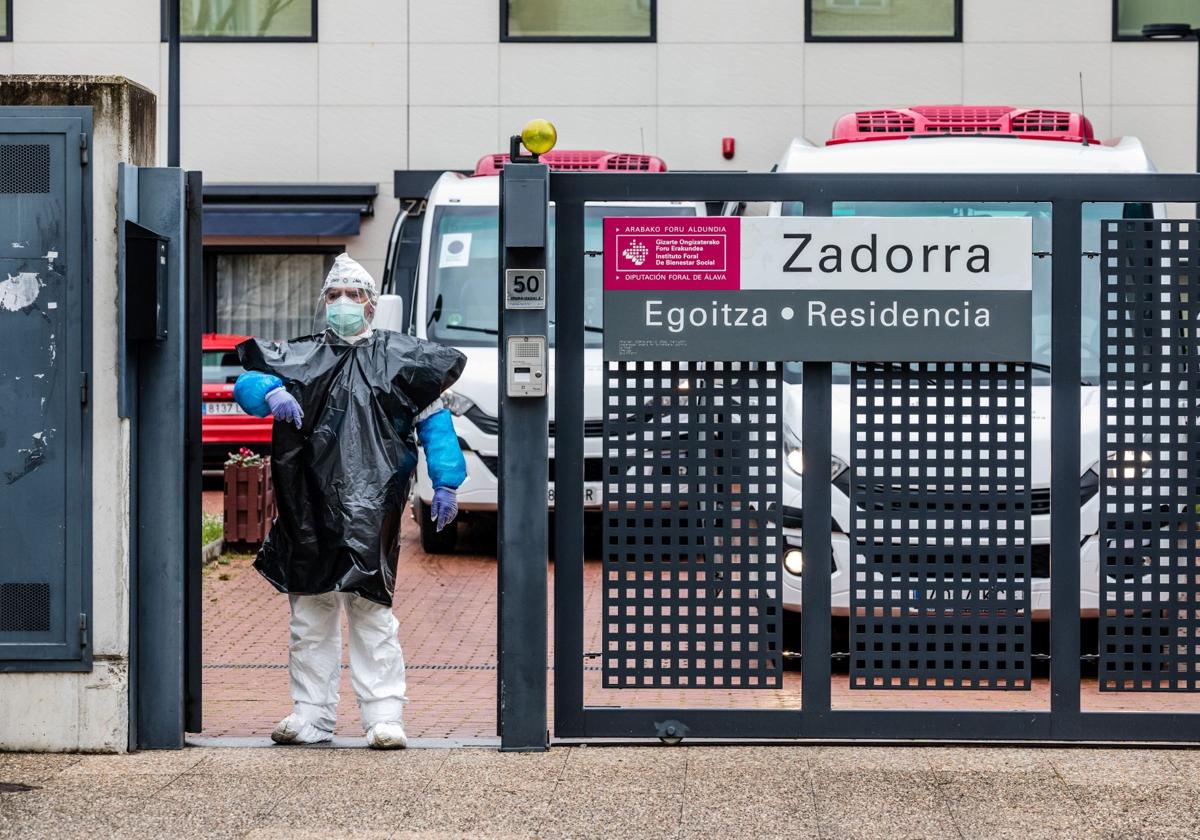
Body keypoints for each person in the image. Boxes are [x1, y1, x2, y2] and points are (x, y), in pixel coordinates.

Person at [232, 253, 467, 749]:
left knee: (371, 610)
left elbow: (435, 420)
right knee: (310, 614)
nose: (343, 304)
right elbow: (248, 382)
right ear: (323, 302)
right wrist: (269, 391)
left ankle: (383, 715)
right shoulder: (299, 357)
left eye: (353, 295)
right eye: (334, 295)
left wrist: (446, 479)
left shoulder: (402, 359)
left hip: (372, 506)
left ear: (371, 304)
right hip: (309, 507)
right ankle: (311, 715)